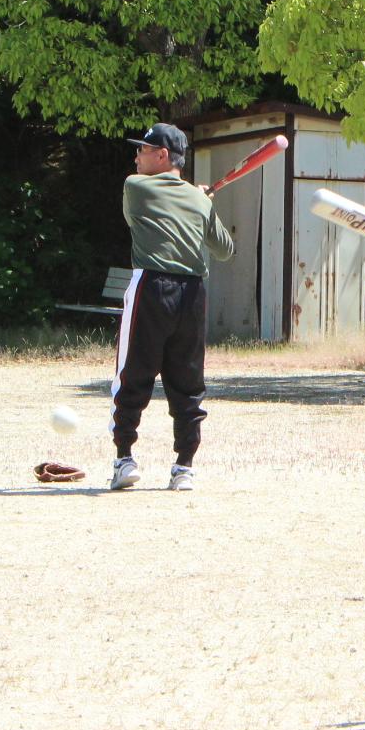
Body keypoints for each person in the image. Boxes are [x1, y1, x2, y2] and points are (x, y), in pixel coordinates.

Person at [111, 123, 235, 492]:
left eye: (144, 150)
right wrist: (202, 204)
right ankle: (184, 467)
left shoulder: (135, 186)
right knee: (187, 380)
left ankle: (124, 458)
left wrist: (195, 200)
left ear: (162, 155)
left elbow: (136, 218)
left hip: (151, 286)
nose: (137, 156)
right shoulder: (198, 200)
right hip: (194, 293)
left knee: (133, 372)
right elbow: (226, 250)